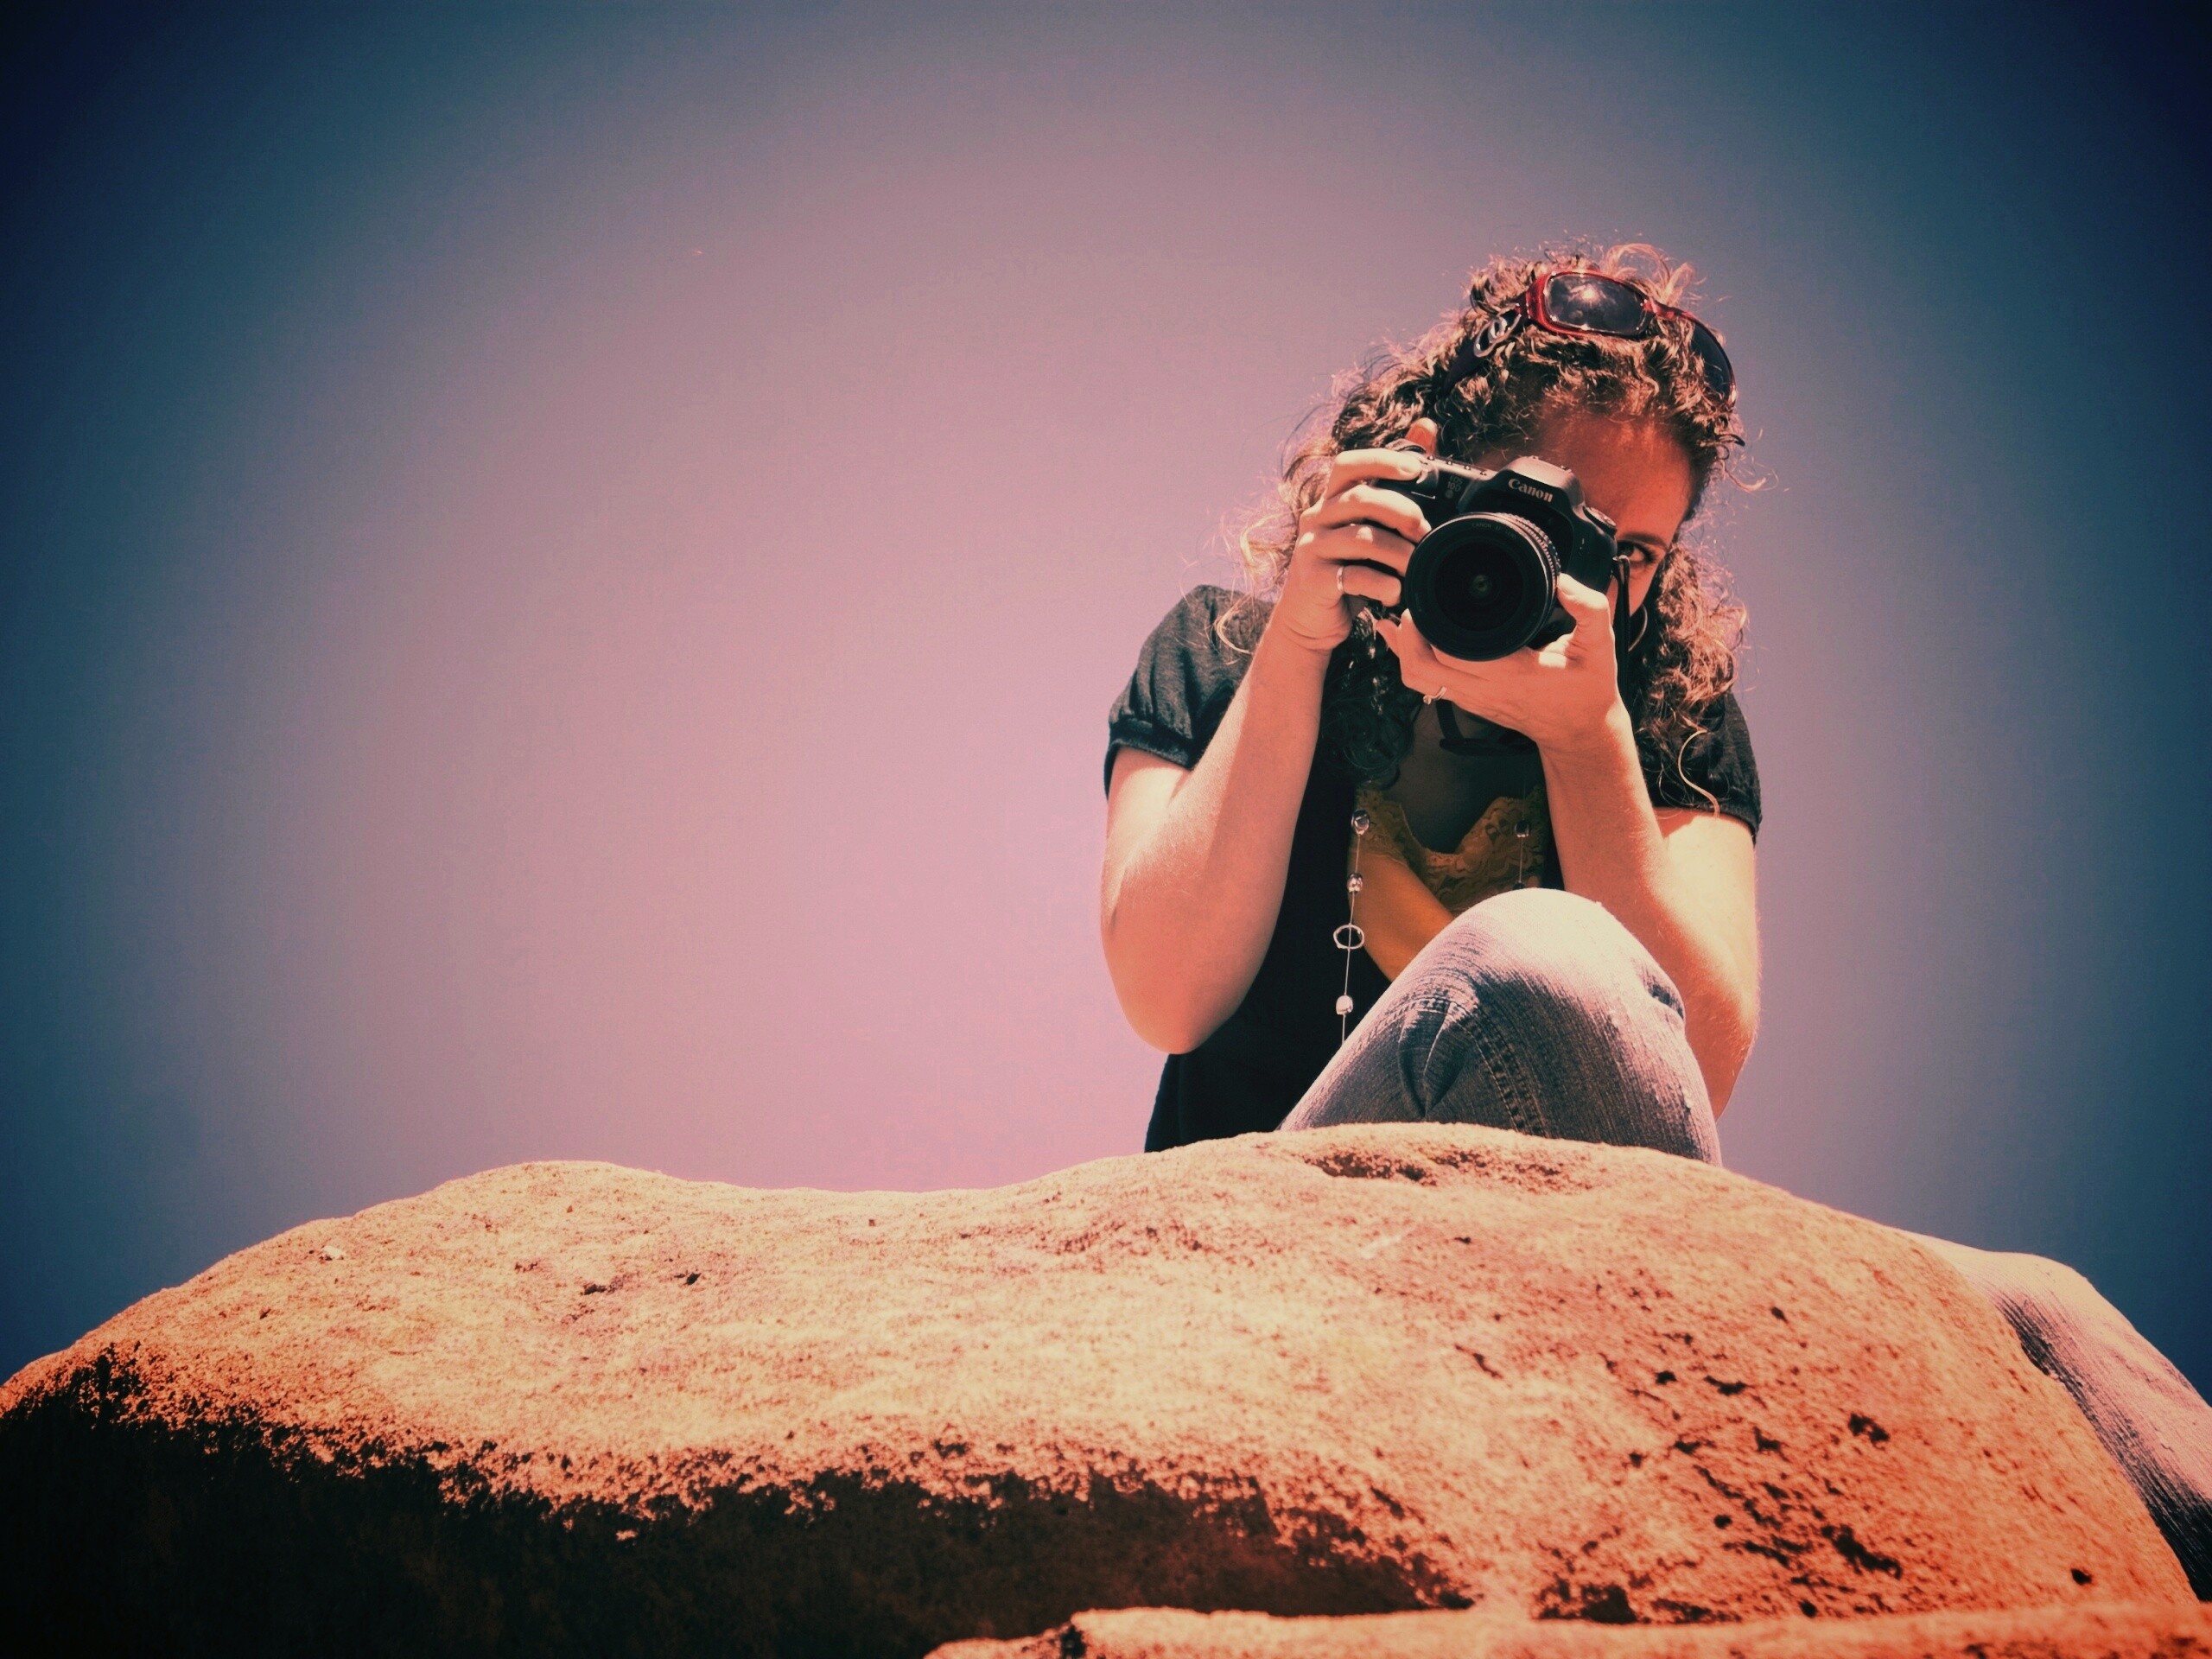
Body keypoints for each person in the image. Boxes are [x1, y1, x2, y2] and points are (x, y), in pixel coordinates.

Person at [1097, 246, 2209, 1594]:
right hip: (1270, 1271)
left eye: (1625, 554)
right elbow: (1167, 991)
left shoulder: (1669, 713)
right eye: (1530, 515)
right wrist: (1298, 648)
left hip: (1570, 1278)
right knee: (1537, 956)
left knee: (2042, 1311)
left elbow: (1695, 1069)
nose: (1569, 577)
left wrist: (1591, 741)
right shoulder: (1228, 650)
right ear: (1420, 471)